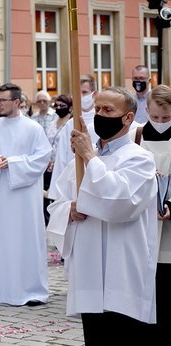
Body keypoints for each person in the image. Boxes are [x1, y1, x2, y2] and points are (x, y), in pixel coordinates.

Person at [46, 86, 158, 345]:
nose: (100, 115)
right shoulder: (80, 161)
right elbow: (57, 203)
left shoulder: (139, 159)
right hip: (89, 267)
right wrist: (70, 210)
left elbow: (120, 203)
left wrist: (89, 155)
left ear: (128, 118)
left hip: (123, 267)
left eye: (108, 110)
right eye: (97, 109)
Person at [0, 83, 52, 306]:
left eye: (3, 100)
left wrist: (12, 162)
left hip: (25, 197)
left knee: (26, 239)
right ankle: (0, 290)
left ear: (17, 102)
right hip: (0, 195)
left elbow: (42, 158)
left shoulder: (33, 129)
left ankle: (31, 290)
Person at [128, 84, 171, 341]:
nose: (161, 122)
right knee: (145, 274)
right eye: (155, 117)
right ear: (146, 110)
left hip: (168, 216)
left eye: (166, 118)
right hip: (144, 215)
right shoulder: (138, 134)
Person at [48, 74, 98, 200]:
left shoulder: (101, 121)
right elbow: (61, 159)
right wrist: (57, 194)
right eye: (77, 92)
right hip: (73, 182)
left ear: (94, 93)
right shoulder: (70, 124)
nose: (80, 96)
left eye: (84, 92)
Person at [43, 94, 73, 225]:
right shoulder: (51, 124)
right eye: (57, 105)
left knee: (59, 196)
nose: (59, 108)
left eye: (63, 106)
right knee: (46, 195)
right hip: (48, 166)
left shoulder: (70, 124)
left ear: (70, 107)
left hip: (62, 164)